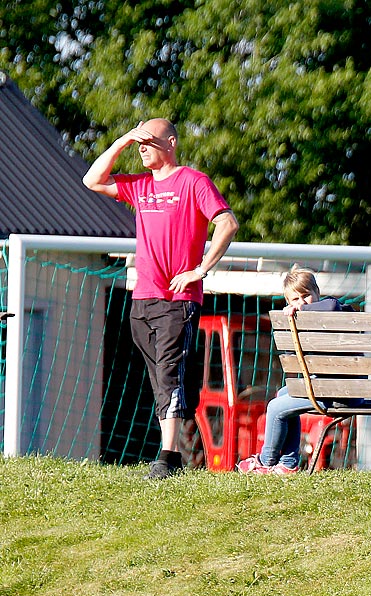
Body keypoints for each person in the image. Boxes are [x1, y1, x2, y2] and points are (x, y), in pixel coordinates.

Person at [82, 118, 240, 480]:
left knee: (169, 373)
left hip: (177, 298)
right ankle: (180, 453)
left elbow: (227, 223)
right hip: (143, 297)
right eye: (139, 143)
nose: (142, 148)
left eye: (148, 141)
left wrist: (201, 269)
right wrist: (122, 140)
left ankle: (167, 457)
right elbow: (92, 180)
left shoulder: (193, 181)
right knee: (162, 378)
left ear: (170, 142)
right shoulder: (139, 186)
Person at [236, 266, 351, 474]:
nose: (300, 303)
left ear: (317, 292)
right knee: (282, 394)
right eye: (294, 300)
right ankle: (289, 462)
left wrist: (301, 310)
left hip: (340, 391)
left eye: (305, 296)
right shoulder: (309, 323)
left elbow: (332, 305)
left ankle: (266, 460)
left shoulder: (335, 311)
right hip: (328, 388)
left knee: (275, 407)